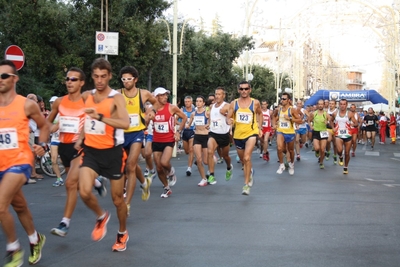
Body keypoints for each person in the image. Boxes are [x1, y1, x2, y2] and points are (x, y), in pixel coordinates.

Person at [75, 58, 130, 251]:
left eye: (103, 77)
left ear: (110, 76)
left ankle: (122, 233)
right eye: (96, 76)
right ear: (92, 76)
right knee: (83, 190)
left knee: (117, 200)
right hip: (91, 152)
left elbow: (125, 123)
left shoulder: (116, 98)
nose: (99, 80)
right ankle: (101, 216)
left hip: (113, 153)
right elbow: (87, 121)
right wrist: (81, 137)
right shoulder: (86, 96)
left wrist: (100, 116)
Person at [0, 60, 49, 266]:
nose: (0, 80)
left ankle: (14, 249)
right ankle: (35, 239)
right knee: (19, 206)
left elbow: (44, 125)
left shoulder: (26, 104)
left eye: (4, 76)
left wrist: (43, 145)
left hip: (20, 161)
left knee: (0, 206)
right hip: (1, 164)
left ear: (14, 79)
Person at [49, 67, 106, 237]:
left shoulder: (87, 100)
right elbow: (49, 123)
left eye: (74, 79)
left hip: (81, 147)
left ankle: (64, 223)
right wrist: (52, 129)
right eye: (67, 79)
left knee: (70, 183)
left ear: (81, 82)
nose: (69, 82)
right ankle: (101, 210)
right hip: (64, 146)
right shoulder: (59, 102)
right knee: (78, 186)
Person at [117, 66, 155, 216]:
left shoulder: (143, 93)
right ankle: (145, 183)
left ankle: (127, 204)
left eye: (129, 79)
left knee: (131, 165)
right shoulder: (117, 94)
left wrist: (151, 113)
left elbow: (156, 103)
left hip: (137, 133)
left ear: (135, 79)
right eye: (123, 79)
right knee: (128, 166)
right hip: (122, 134)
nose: (126, 82)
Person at [227, 81, 262, 195]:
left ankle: (246, 185)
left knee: (247, 158)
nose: (244, 91)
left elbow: (260, 114)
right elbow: (228, 117)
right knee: (243, 160)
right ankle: (250, 171)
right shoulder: (234, 103)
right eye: (241, 89)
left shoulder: (255, 103)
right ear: (238, 90)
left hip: (251, 133)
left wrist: (260, 128)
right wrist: (229, 121)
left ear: (250, 90)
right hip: (238, 135)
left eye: (246, 89)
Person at [151, 87, 187, 198]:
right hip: (156, 140)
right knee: (158, 168)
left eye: (166, 95)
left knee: (164, 163)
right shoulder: (152, 109)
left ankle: (171, 171)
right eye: (162, 95)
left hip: (168, 139)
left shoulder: (171, 107)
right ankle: (166, 188)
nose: (165, 97)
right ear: (156, 97)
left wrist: (178, 132)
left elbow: (184, 117)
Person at [206, 87, 233, 185]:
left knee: (225, 156)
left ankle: (229, 167)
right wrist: (209, 124)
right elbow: (211, 118)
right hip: (213, 133)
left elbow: (231, 118)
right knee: (210, 151)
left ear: (223, 95)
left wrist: (226, 115)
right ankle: (212, 175)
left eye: (219, 94)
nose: (217, 96)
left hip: (224, 134)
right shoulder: (212, 106)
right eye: (216, 94)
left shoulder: (227, 106)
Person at [272, 92, 302, 175]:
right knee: (279, 148)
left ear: (289, 100)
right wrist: (274, 124)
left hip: (290, 133)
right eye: (281, 99)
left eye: (284, 99)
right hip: (280, 131)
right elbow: (273, 117)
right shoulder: (279, 109)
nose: (282, 100)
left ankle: (291, 164)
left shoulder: (292, 110)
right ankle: (281, 165)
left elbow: (300, 120)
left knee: (291, 150)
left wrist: (290, 118)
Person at [186, 96, 210, 186]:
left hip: (205, 137)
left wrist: (208, 124)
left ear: (203, 103)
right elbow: (189, 124)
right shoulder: (193, 114)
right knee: (199, 160)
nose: (198, 103)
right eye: (197, 101)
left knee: (206, 161)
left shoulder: (207, 113)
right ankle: (203, 179)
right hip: (197, 136)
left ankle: (212, 159)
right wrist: (187, 126)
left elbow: (211, 122)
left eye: (200, 101)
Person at [331, 99, 358, 174]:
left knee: (347, 152)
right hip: (338, 134)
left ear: (346, 105)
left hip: (348, 134)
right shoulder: (335, 113)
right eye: (341, 104)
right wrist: (333, 127)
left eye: (344, 104)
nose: (342, 106)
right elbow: (330, 120)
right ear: (339, 105)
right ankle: (340, 157)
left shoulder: (349, 114)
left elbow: (356, 123)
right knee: (339, 150)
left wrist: (352, 124)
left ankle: (345, 167)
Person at [308, 99, 330, 169]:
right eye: (319, 104)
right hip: (316, 132)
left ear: (324, 105)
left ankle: (321, 162)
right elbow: (309, 120)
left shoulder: (326, 114)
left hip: (323, 132)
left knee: (323, 149)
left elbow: (331, 122)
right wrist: (311, 126)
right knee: (317, 148)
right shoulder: (314, 113)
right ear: (317, 105)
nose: (320, 105)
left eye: (321, 104)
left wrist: (328, 122)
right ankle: (317, 151)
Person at [48, 96, 63, 186]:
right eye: (50, 102)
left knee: (64, 161)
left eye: (54, 102)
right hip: (54, 139)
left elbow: (53, 128)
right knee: (53, 160)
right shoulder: (51, 114)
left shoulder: (62, 113)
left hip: (63, 139)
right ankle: (59, 178)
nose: (52, 104)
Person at [178, 96, 195, 176]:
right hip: (185, 132)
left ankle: (189, 168)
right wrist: (181, 124)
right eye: (186, 102)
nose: (187, 103)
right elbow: (174, 119)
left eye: (188, 101)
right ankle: (194, 157)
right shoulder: (182, 111)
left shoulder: (195, 111)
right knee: (187, 151)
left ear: (191, 102)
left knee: (191, 149)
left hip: (193, 131)